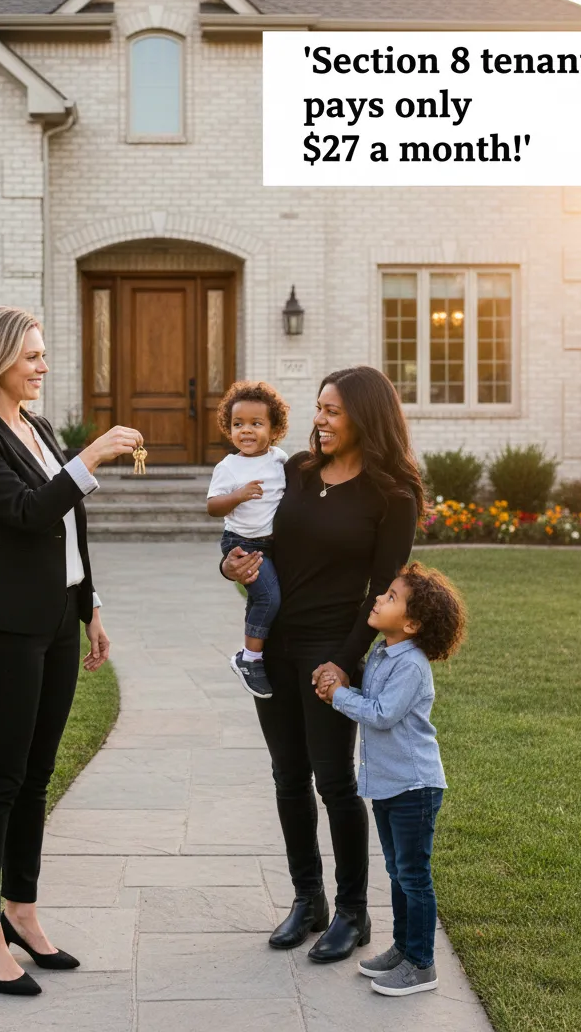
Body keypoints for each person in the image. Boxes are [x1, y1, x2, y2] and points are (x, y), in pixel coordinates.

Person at [0, 306, 142, 997]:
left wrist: (90, 606)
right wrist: (91, 457)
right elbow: (27, 513)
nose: (43, 366)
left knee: (37, 774)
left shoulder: (38, 427)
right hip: (3, 626)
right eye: (31, 356)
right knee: (1, 776)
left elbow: (70, 527)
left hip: (56, 619)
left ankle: (21, 909)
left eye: (42, 354)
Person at [220, 366, 424, 962]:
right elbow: (256, 540)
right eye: (319, 408)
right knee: (287, 776)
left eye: (333, 411)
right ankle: (307, 899)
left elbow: (382, 591)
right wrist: (231, 568)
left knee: (333, 781)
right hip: (275, 644)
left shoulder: (393, 495)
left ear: (366, 416)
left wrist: (343, 660)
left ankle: (353, 911)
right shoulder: (297, 472)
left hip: (331, 648)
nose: (320, 420)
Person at [314, 562, 466, 997]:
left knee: (414, 876)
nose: (379, 598)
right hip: (389, 783)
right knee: (398, 873)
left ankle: (421, 964)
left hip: (415, 786)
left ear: (412, 624)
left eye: (391, 597)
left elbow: (381, 715)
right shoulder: (383, 652)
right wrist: (339, 686)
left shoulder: (412, 665)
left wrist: (338, 695)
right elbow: (370, 698)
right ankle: (403, 949)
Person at [206, 381, 290, 699]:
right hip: (242, 543)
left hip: (271, 544)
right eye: (238, 424)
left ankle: (260, 652)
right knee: (268, 598)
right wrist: (237, 496)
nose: (246, 431)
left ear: (274, 429)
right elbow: (213, 507)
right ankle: (249, 658)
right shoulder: (229, 467)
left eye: (256, 423)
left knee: (261, 597)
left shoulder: (279, 460)